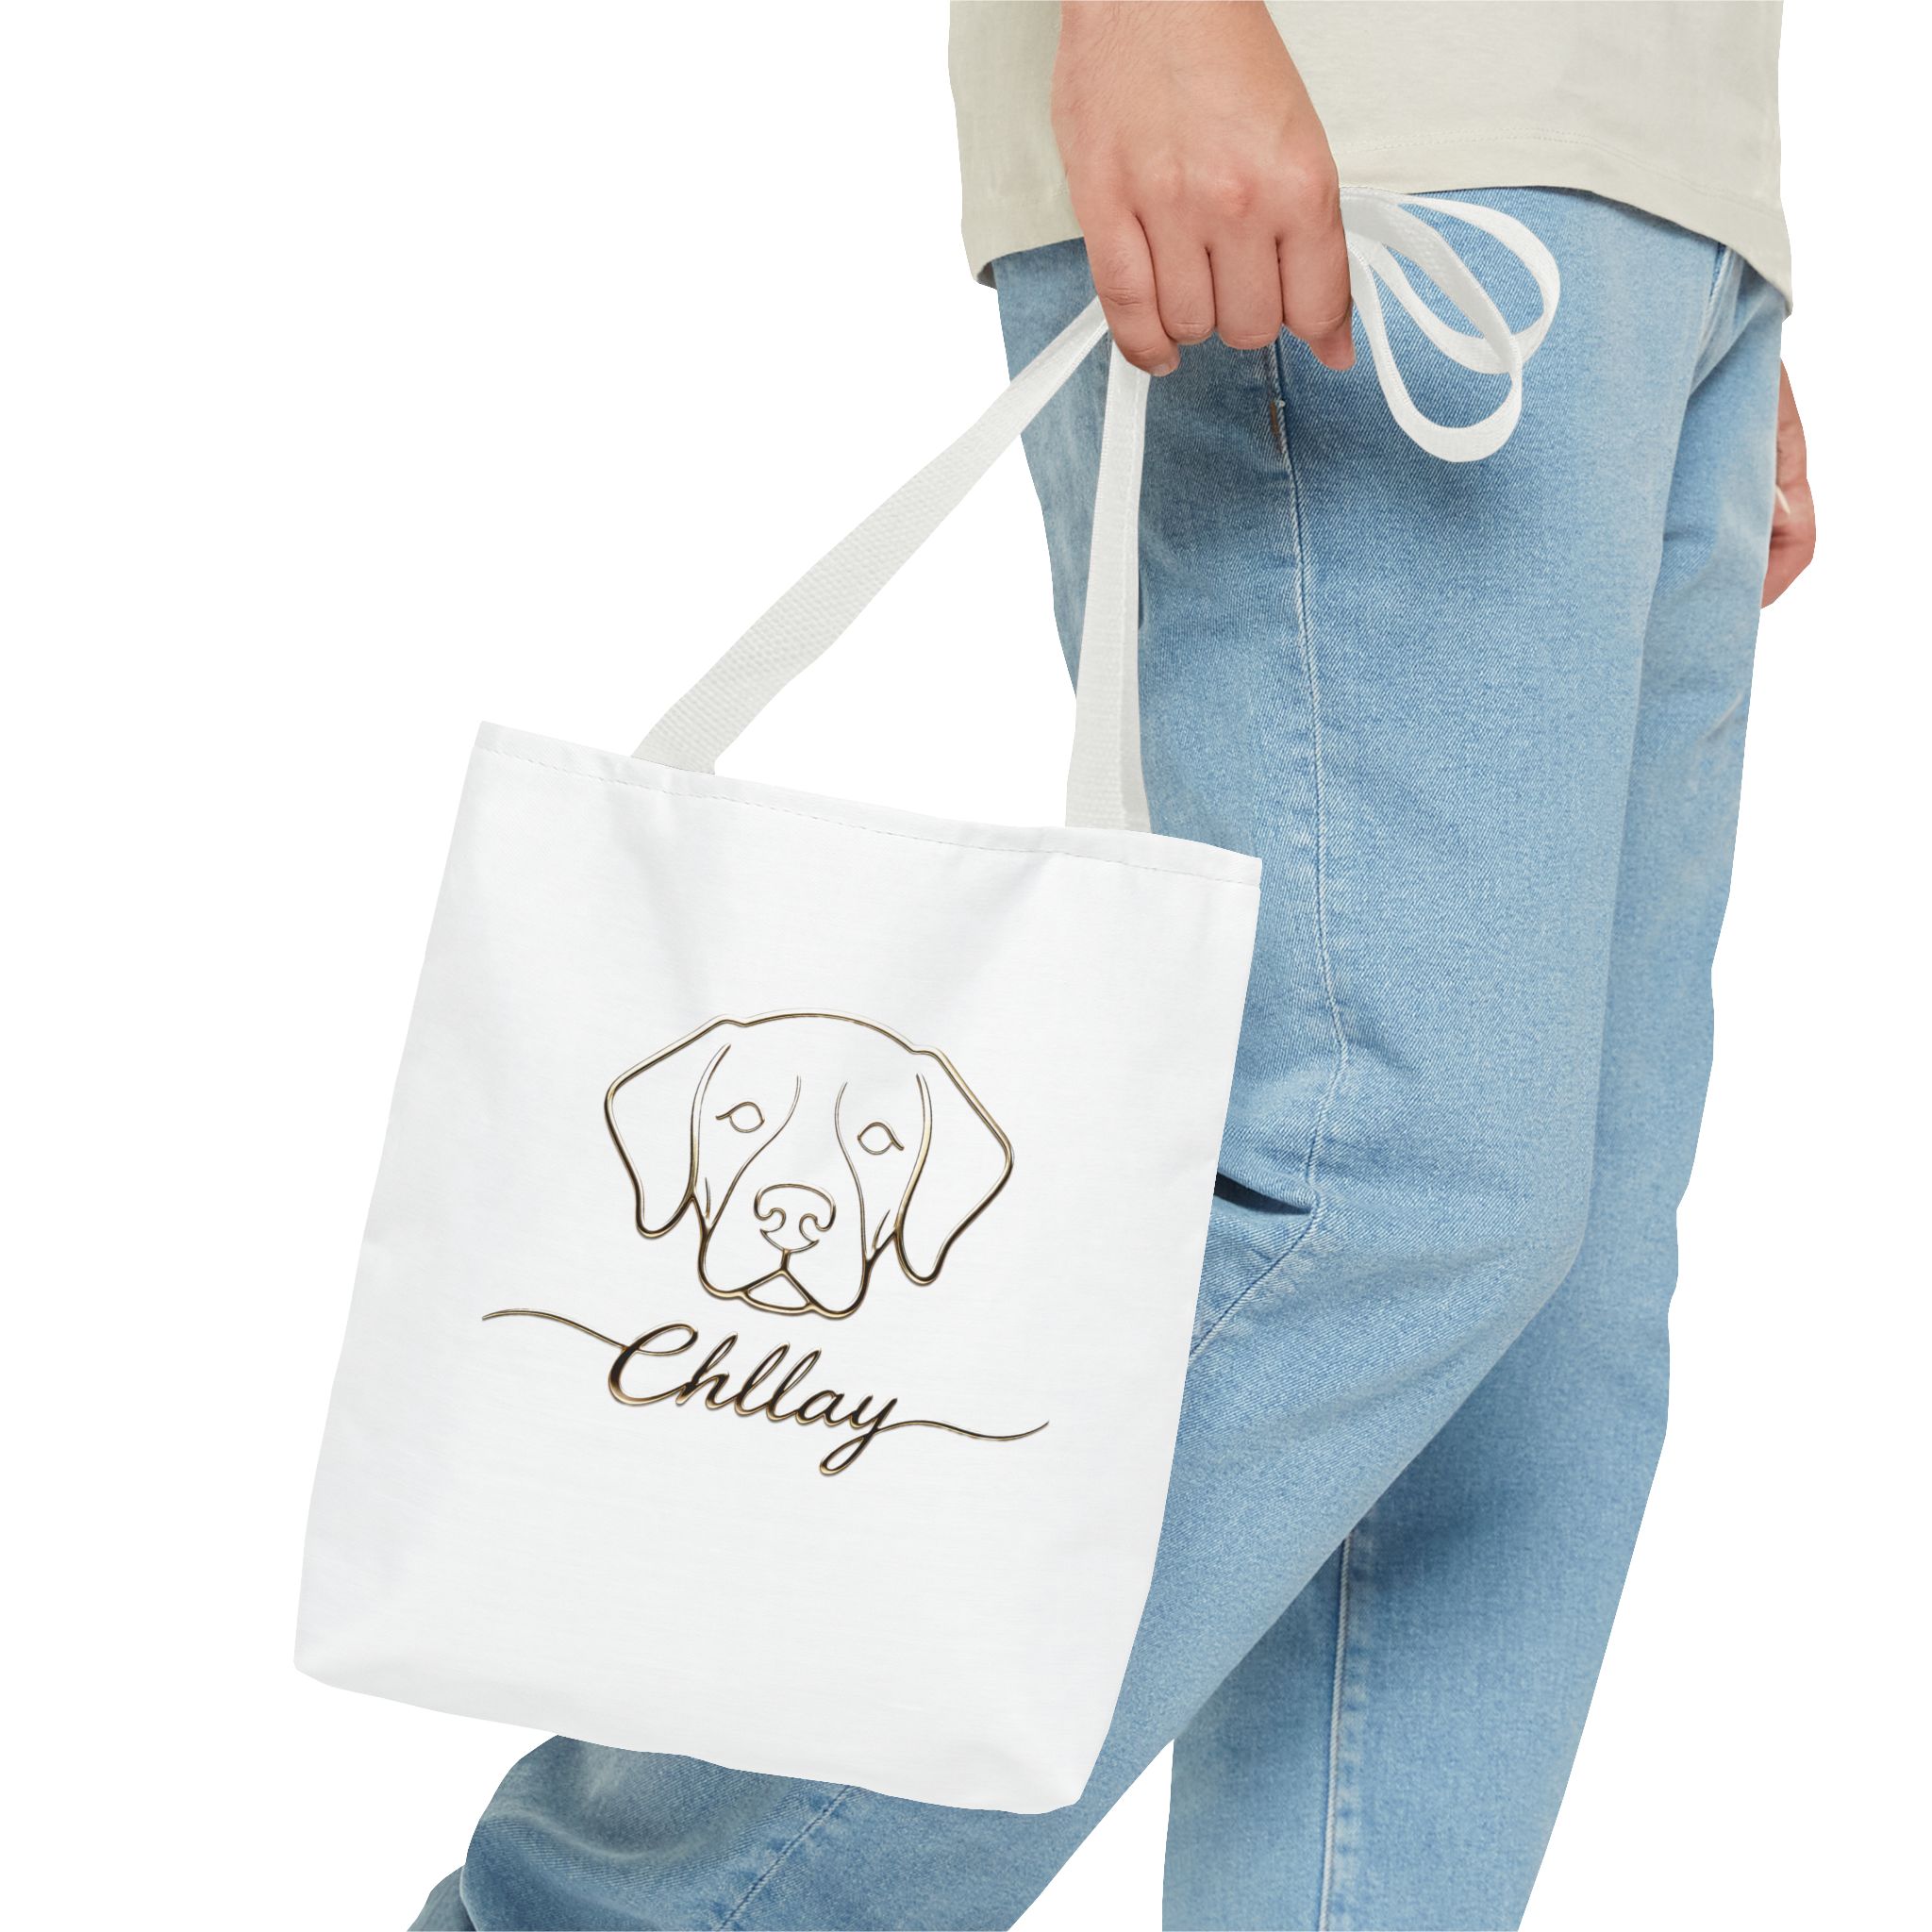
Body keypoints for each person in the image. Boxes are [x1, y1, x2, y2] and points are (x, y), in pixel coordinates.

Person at [412, 5, 1814, 1926]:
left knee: (1533, 1354)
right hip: (1370, 119)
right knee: (1377, 1194)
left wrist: (1697, 236)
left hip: (1643, 188)